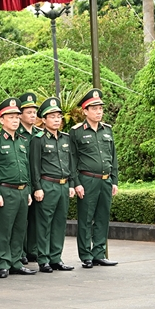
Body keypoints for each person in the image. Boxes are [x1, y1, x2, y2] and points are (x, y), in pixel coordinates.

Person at [0, 98, 35, 278]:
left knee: (20, 229)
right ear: (1, 120)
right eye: (11, 117)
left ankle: (16, 261)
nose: (15, 120)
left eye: (17, 117)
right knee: (5, 229)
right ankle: (3, 263)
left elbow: (27, 167)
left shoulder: (22, 141)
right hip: (6, 191)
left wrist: (28, 190)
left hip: (22, 190)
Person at [70, 88, 118, 269]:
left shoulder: (107, 130)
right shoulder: (77, 132)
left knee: (102, 217)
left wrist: (114, 180)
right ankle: (86, 255)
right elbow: (72, 159)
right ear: (85, 111)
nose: (99, 112)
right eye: (94, 108)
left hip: (105, 180)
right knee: (86, 219)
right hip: (87, 179)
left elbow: (113, 157)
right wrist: (76, 183)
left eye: (100, 108)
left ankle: (99, 253)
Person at [30, 97, 75, 273]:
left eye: (58, 116)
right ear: (44, 119)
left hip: (63, 185)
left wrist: (71, 184)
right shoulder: (38, 139)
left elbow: (70, 163)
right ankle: (43, 259)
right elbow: (34, 165)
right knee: (44, 224)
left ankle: (56, 258)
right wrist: (37, 187)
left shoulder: (65, 138)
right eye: (52, 116)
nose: (56, 120)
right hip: (47, 184)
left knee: (59, 223)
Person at [16, 92, 41, 265]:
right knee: (21, 219)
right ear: (20, 115)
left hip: (37, 180)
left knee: (35, 217)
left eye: (34, 112)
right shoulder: (16, 133)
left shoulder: (39, 133)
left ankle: (33, 249)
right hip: (23, 180)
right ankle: (22, 251)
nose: (33, 115)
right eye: (29, 112)